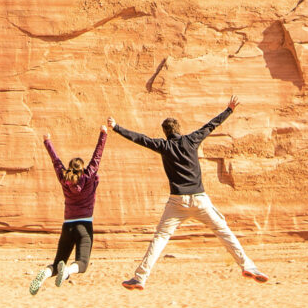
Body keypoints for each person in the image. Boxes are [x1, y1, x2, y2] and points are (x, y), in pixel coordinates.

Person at [108, 95, 267, 290]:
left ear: (165, 132)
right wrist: (229, 110)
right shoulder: (191, 140)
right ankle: (249, 267)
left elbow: (141, 139)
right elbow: (210, 126)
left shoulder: (163, 146)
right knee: (223, 231)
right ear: (178, 130)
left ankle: (140, 277)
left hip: (177, 202)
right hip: (200, 200)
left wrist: (116, 127)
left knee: (160, 238)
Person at [29, 124, 108, 295]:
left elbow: (56, 161)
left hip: (67, 226)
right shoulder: (88, 176)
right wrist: (103, 133)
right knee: (82, 263)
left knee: (58, 262)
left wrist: (47, 141)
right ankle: (68, 271)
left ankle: (46, 274)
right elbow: (97, 156)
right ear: (82, 168)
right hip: (84, 226)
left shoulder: (64, 178)